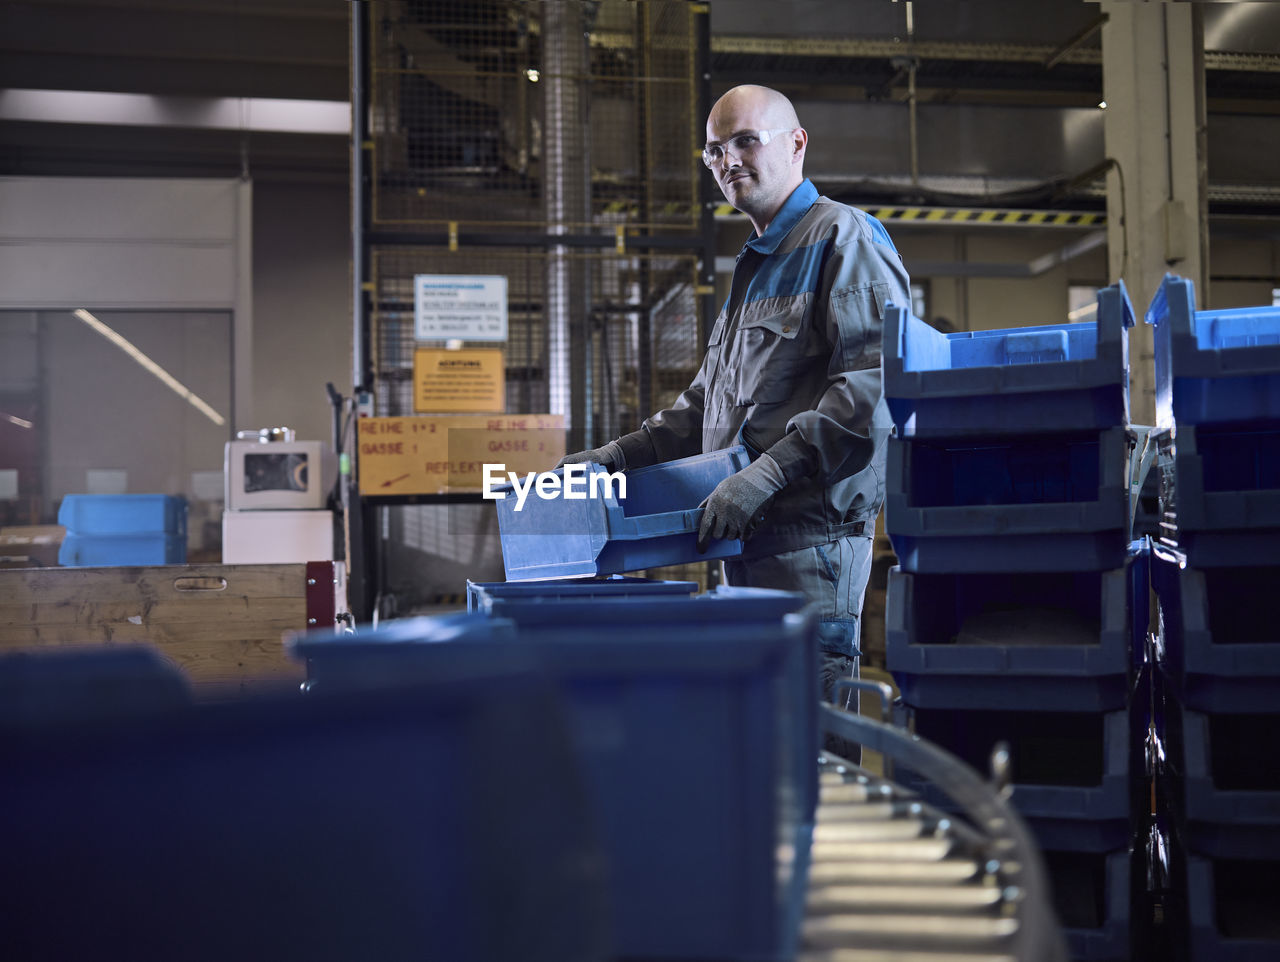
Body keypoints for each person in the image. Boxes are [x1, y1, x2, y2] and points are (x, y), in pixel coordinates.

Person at [559, 85, 911, 759]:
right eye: (715, 150)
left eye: (746, 140)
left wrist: (766, 473)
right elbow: (700, 412)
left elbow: (875, 387)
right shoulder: (757, 267)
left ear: (797, 143)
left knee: (811, 764)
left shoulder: (842, 239)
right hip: (742, 552)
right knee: (762, 762)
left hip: (808, 552)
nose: (729, 160)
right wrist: (612, 458)